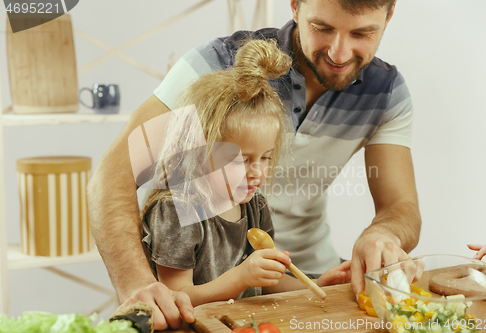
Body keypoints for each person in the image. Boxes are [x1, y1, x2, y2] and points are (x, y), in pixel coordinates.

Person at [87, 0, 421, 329]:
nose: (339, 52)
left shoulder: (388, 91)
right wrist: (137, 285)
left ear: (390, 15)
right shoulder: (215, 64)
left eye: (362, 34)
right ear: (295, 6)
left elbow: (400, 205)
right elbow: (112, 177)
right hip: (210, 300)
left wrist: (381, 234)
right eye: (322, 28)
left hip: (299, 279)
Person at [140, 39, 351, 307]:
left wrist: (311, 285)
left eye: (265, 158)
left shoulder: (255, 205)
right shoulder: (176, 211)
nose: (257, 172)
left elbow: (267, 282)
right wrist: (241, 277)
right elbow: (176, 296)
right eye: (240, 160)